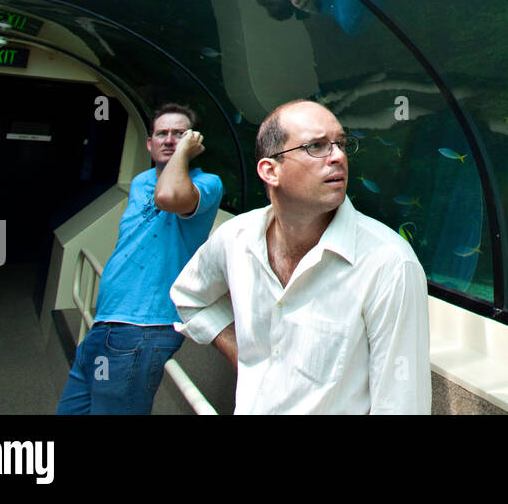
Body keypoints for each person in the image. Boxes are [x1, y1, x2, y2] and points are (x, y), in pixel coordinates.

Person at [171, 99, 430, 414]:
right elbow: (190, 295)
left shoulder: (388, 263)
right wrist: (248, 360)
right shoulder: (236, 238)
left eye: (342, 144)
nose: (338, 157)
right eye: (317, 146)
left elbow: (402, 405)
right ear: (270, 170)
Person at [57, 103, 223, 414]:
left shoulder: (207, 184)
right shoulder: (140, 182)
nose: (169, 140)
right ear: (149, 144)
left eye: (180, 134)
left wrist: (182, 155)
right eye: (162, 134)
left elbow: (168, 198)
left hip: (143, 330)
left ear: (194, 142)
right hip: (106, 322)